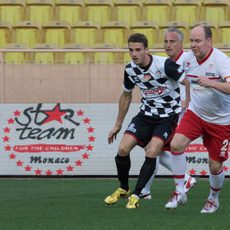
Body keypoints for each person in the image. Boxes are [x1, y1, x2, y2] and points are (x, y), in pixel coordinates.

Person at [104, 33, 188, 209]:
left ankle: (137, 194)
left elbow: (187, 82)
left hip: (167, 117)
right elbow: (126, 96)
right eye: (131, 50)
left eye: (138, 50)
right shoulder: (130, 69)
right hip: (145, 115)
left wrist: (185, 107)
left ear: (147, 50)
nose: (134, 54)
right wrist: (117, 124)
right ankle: (124, 188)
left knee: (152, 151)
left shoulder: (164, 64)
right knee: (122, 149)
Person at [165, 25, 230, 213]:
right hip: (196, 113)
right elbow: (186, 78)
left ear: (209, 41)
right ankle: (180, 191)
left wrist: (211, 83)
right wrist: (187, 98)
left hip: (221, 120)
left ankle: (213, 198)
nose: (193, 45)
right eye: (191, 41)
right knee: (176, 145)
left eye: (198, 41)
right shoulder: (187, 59)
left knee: (215, 165)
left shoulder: (221, 61)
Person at [140, 27, 196, 199]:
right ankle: (145, 190)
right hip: (167, 113)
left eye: (172, 41)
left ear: (181, 43)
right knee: (153, 148)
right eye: (165, 41)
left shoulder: (188, 59)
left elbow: (193, 81)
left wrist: (189, 101)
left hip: (182, 114)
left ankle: (146, 190)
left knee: (154, 148)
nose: (168, 44)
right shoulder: (163, 62)